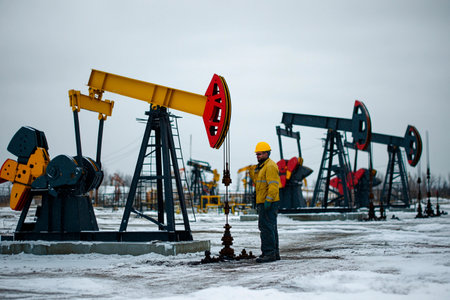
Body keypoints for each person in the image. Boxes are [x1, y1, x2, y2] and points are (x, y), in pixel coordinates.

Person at [249, 141, 281, 263]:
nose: (258, 156)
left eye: (260, 154)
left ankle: (269, 253)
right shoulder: (262, 167)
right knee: (270, 227)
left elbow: (273, 185)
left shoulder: (270, 166)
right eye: (257, 154)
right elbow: (258, 183)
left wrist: (269, 200)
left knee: (266, 227)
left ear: (267, 153)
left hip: (268, 202)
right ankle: (274, 253)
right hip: (264, 201)